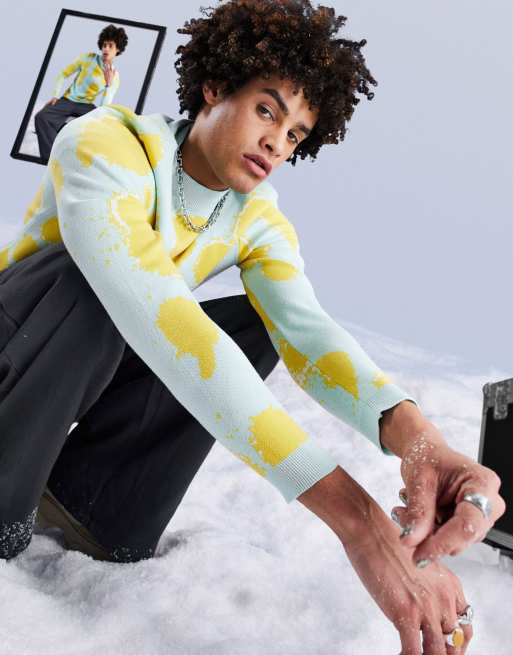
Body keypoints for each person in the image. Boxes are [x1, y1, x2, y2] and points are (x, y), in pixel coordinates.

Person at [0, 0, 506, 652]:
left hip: (92, 366)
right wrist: (362, 525)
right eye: (267, 111)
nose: (277, 142)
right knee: (98, 285)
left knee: (258, 325)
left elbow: (309, 335)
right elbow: (158, 314)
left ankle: (92, 500)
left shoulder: (255, 217)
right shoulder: (105, 141)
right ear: (214, 86)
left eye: (295, 134)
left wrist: (422, 443)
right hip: (18, 351)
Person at [34, 23, 128, 163]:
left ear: (117, 49)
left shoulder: (115, 77)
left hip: (86, 105)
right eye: (104, 45)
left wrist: (108, 84)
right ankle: (53, 160)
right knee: (41, 117)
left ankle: (74, 154)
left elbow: (104, 107)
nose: (106, 49)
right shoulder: (88, 58)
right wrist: (55, 95)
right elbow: (63, 74)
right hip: (68, 100)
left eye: (110, 46)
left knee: (99, 128)